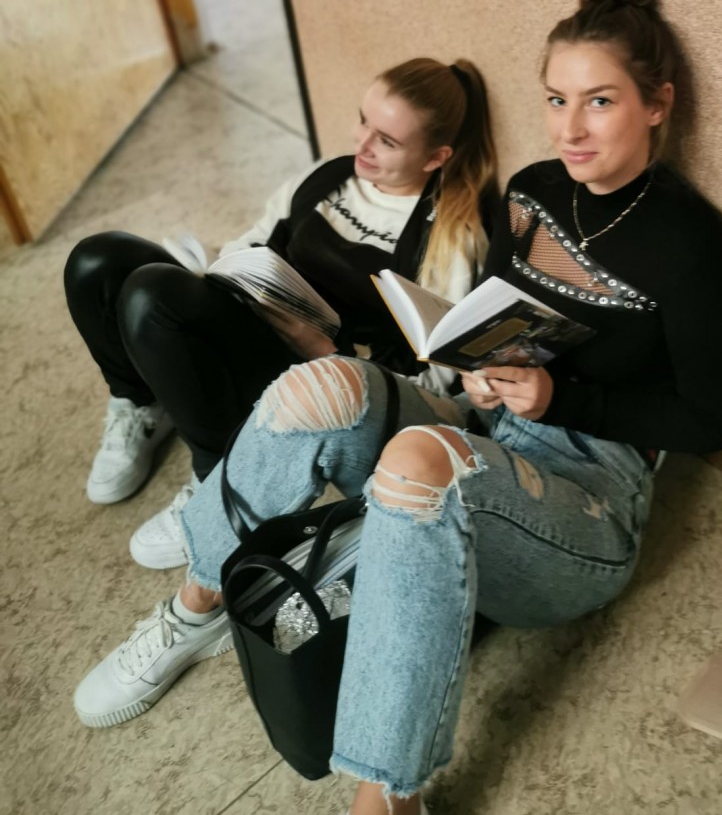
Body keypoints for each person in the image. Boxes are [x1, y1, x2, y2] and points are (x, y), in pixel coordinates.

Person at [75, 0, 722, 815]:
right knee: (324, 387)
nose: (570, 128)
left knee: (418, 464)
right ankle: (196, 608)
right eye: (556, 99)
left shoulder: (691, 247)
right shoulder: (534, 192)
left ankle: (387, 807)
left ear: (658, 104)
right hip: (486, 425)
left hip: (588, 500)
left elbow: (713, 421)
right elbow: (495, 315)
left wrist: (562, 396)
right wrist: (476, 365)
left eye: (601, 101)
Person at [64, 57, 498, 568]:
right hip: (255, 322)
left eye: (386, 141)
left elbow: (438, 386)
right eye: (363, 121)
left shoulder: (448, 238)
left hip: (316, 379)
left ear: (435, 157)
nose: (361, 144)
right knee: (98, 259)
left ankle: (222, 482)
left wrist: (325, 352)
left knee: (150, 295)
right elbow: (252, 240)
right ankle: (142, 403)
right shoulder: (327, 176)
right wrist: (219, 273)